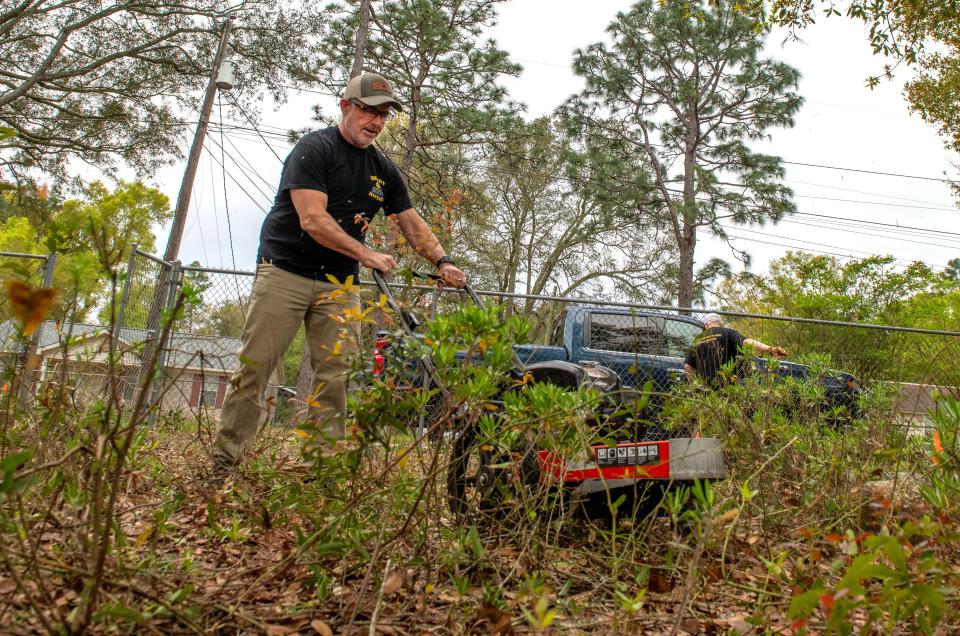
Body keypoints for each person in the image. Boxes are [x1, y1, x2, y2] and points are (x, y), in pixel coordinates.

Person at [212, 71, 467, 469]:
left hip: (339, 283)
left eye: (384, 115)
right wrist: (368, 256)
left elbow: (411, 222)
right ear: (346, 106)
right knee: (255, 371)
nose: (377, 122)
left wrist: (443, 260)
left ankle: (322, 468)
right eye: (369, 111)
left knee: (336, 378)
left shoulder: (383, 169)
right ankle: (225, 464)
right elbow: (313, 219)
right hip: (286, 272)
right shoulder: (314, 150)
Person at [683, 313, 787, 386]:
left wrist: (695, 386)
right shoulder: (728, 332)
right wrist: (770, 349)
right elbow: (747, 342)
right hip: (726, 388)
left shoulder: (697, 339)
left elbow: (688, 367)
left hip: (705, 390)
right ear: (719, 323)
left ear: (706, 325)